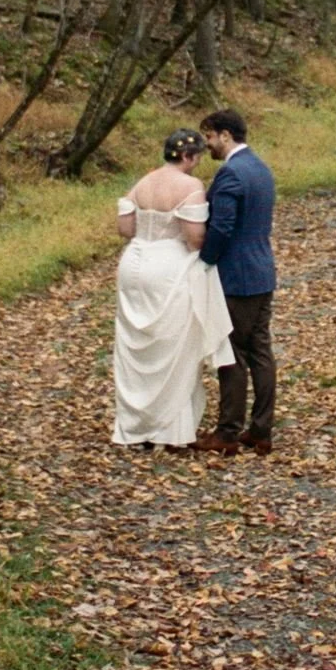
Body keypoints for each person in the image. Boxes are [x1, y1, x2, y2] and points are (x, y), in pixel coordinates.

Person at [111, 129, 235, 449]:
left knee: (138, 344)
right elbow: (194, 238)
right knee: (171, 343)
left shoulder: (143, 182)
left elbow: (125, 228)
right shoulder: (190, 186)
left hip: (134, 262)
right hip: (168, 267)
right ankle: (167, 429)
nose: (198, 163)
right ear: (187, 156)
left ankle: (135, 425)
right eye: (197, 157)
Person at [196, 109, 277, 456]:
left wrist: (204, 261)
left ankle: (228, 432)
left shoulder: (231, 173)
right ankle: (261, 430)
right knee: (261, 352)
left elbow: (223, 226)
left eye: (210, 136)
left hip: (236, 277)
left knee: (230, 353)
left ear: (225, 135)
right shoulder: (260, 168)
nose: (207, 144)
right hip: (262, 272)